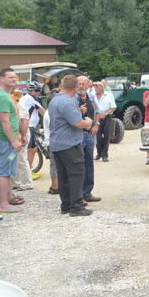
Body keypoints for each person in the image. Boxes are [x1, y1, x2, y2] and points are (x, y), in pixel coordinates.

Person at [49, 74, 94, 216]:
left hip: (57, 144)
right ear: (75, 87)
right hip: (69, 144)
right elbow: (78, 123)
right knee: (76, 174)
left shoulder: (55, 100)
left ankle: (66, 205)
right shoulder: (67, 102)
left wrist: (78, 112)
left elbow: (64, 117)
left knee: (63, 177)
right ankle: (77, 207)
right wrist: (89, 122)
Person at [0, 68, 25, 214]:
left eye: (15, 77)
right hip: (4, 139)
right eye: (10, 77)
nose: (14, 79)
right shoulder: (2, 96)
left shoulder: (3, 95)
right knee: (3, 173)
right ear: (1, 78)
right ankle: (2, 205)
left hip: (3, 139)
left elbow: (11, 119)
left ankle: (1, 204)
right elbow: (4, 121)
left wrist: (20, 134)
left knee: (2, 172)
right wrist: (13, 141)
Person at [77, 76, 101, 203]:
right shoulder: (73, 98)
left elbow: (97, 112)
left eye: (83, 84)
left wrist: (96, 125)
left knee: (89, 164)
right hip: (78, 135)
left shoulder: (91, 97)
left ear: (88, 86)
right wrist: (78, 110)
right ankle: (78, 195)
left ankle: (87, 192)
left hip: (90, 135)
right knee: (78, 165)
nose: (81, 86)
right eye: (79, 84)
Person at [10, 89, 33, 192]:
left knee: (21, 159)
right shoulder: (15, 107)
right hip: (15, 135)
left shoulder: (21, 108)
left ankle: (27, 183)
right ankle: (16, 182)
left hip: (20, 134)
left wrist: (22, 136)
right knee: (12, 159)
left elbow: (25, 123)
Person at [19, 81, 45, 172]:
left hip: (28, 126)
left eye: (40, 90)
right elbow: (43, 112)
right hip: (29, 127)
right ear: (30, 90)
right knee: (30, 149)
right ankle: (26, 171)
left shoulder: (26, 97)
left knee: (32, 149)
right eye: (36, 90)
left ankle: (27, 169)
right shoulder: (31, 98)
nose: (38, 92)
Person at [93, 81, 116, 162]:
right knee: (97, 136)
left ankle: (104, 155)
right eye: (94, 87)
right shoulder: (92, 95)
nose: (95, 88)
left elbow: (113, 107)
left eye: (97, 86)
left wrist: (105, 113)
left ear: (102, 87)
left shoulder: (109, 95)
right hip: (96, 117)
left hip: (107, 117)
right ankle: (99, 153)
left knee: (107, 136)